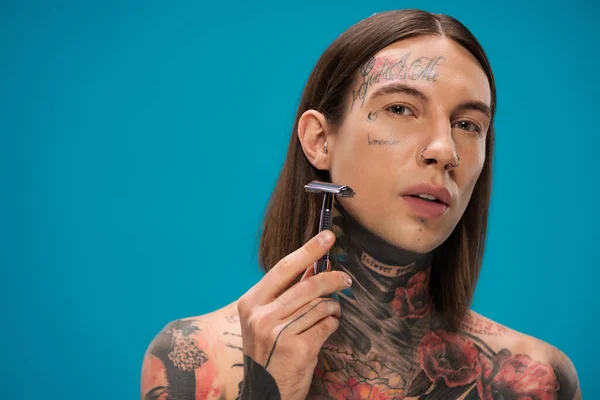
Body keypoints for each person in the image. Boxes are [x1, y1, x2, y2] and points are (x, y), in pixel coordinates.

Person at [140, 9, 582, 400]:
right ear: (320, 140)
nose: (445, 150)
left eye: (468, 124)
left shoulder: (534, 381)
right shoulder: (195, 363)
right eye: (402, 109)